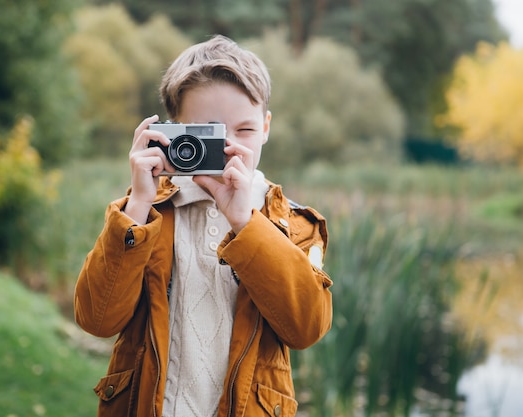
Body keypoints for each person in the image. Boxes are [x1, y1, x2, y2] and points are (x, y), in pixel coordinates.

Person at [74, 34, 333, 417]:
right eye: (206, 134)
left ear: (266, 126)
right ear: (171, 132)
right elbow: (97, 319)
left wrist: (245, 222)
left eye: (243, 131)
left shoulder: (292, 223)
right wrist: (139, 204)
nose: (228, 148)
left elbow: (306, 328)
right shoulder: (146, 214)